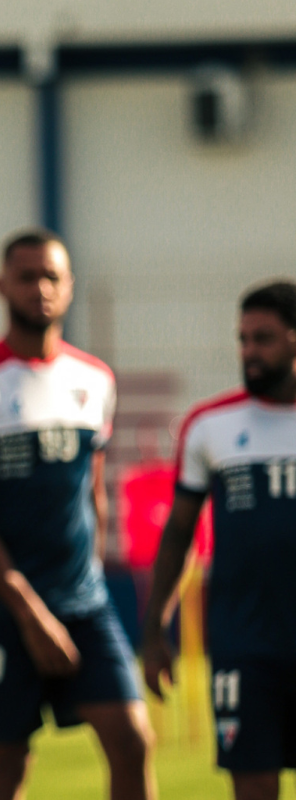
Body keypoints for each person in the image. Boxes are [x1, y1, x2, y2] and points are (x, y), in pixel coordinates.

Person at [0, 229, 155, 800]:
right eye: (27, 276)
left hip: (84, 603)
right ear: (0, 285)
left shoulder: (95, 380)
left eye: (52, 277)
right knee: (8, 769)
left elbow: (95, 493)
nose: (41, 289)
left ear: (70, 287)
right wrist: (31, 613)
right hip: (3, 610)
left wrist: (93, 581)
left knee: (133, 741)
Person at [142, 280, 296, 800]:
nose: (249, 352)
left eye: (264, 339)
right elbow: (179, 533)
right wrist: (154, 630)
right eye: (243, 339)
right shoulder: (211, 426)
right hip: (243, 646)